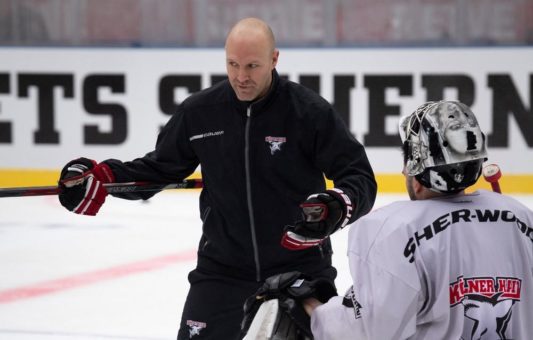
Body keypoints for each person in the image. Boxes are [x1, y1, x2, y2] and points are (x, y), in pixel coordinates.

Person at [57, 17, 377, 339]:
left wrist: (336, 206)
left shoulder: (308, 113)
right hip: (222, 270)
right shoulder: (200, 113)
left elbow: (359, 177)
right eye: (233, 64)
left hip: (299, 269)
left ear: (274, 59)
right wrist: (103, 177)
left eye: (252, 66)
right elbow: (158, 169)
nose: (241, 77)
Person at [246, 100, 533, 339]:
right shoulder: (521, 218)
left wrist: (308, 306)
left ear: (416, 170)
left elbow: (369, 331)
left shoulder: (395, 229)